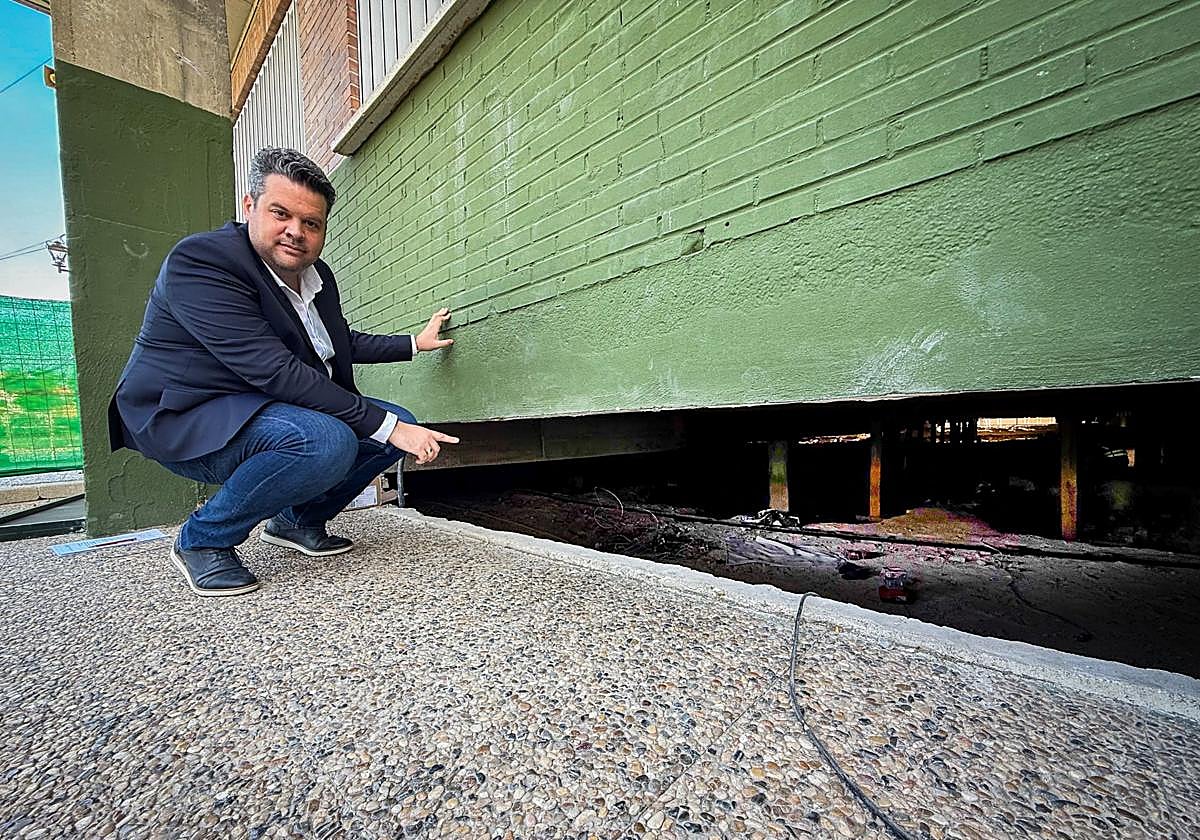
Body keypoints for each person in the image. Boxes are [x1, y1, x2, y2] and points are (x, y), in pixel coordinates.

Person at [108, 147, 459, 598]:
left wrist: (414, 343)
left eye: (311, 223)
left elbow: (337, 342)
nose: (297, 232)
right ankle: (202, 540)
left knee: (391, 421)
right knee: (327, 439)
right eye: (281, 214)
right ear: (250, 206)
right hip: (187, 417)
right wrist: (388, 428)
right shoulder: (202, 262)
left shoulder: (316, 276)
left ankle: (296, 522)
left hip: (261, 407)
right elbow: (273, 369)